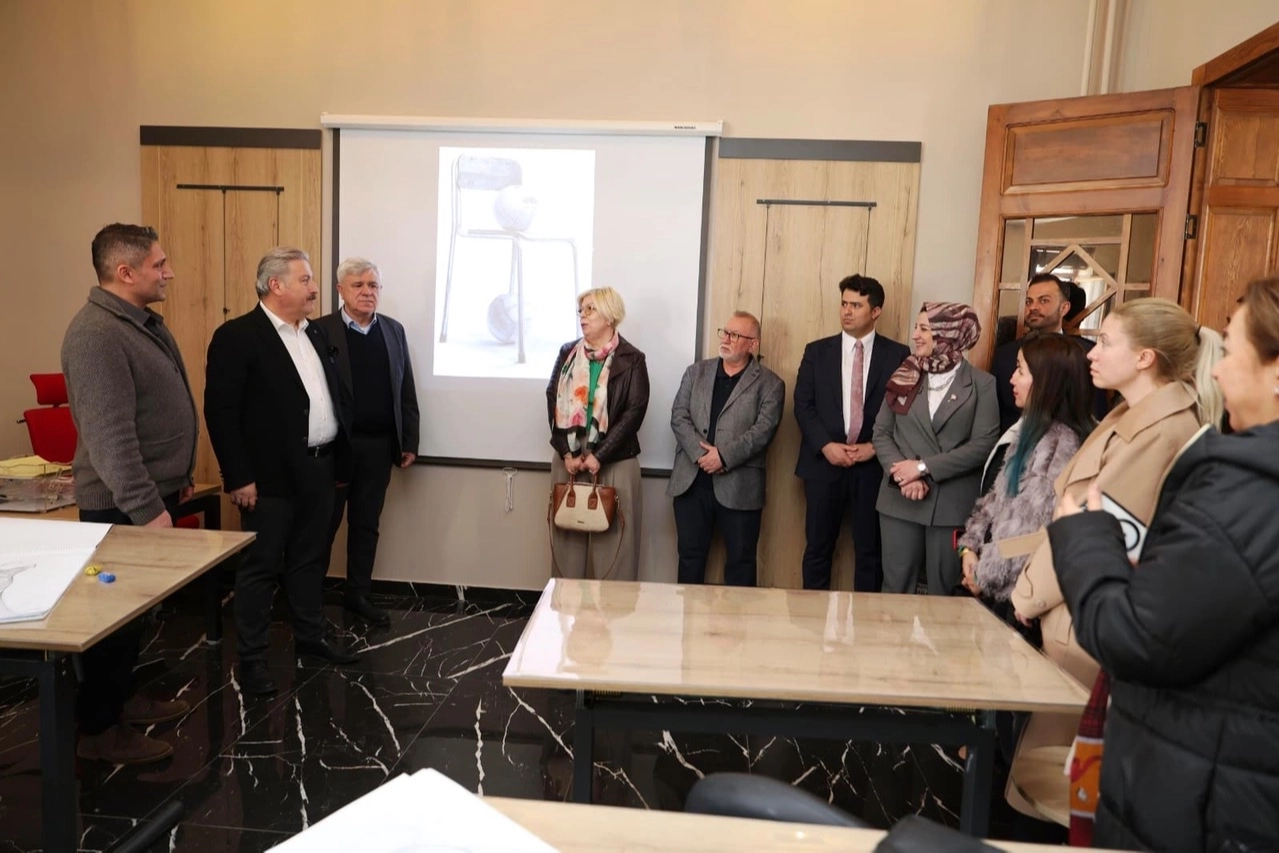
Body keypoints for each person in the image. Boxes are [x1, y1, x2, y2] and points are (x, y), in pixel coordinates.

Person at [1047, 277, 1279, 851]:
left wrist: (1085, 539)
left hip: (1210, 795)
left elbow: (1137, 637)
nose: (1217, 372)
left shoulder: (1249, 487)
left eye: (1231, 350)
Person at [1008, 297, 1223, 830]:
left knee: (1061, 798)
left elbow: (1093, 529)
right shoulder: (1130, 414)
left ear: (1145, 357)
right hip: (1073, 608)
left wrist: (1026, 596)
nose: (1091, 353)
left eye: (1105, 342)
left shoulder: (1163, 431)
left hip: (1087, 620)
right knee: (1045, 785)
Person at [60, 223, 197, 764]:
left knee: (132, 615)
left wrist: (178, 476)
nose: (168, 273)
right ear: (125, 272)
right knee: (110, 621)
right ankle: (98, 731)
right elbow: (110, 439)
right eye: (159, 265)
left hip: (150, 496)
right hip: (121, 506)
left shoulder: (138, 323)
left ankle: (122, 699)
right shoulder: (96, 335)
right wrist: (148, 509)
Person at [205, 247, 359, 698]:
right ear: (276, 285)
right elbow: (221, 412)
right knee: (261, 567)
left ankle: (309, 637)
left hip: (320, 468)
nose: (314, 288)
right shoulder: (237, 336)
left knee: (310, 559)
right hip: (268, 478)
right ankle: (252, 660)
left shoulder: (314, 333)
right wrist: (238, 476)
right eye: (305, 280)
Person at [316, 257, 419, 626]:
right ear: (340, 290)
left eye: (373, 285)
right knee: (323, 524)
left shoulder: (393, 330)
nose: (366, 292)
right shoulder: (319, 331)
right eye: (358, 285)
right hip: (334, 448)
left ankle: (357, 595)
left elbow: (405, 388)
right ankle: (309, 601)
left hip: (378, 446)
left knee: (366, 525)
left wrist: (409, 440)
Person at [958, 335, 1094, 609]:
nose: (1011, 379)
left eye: (1020, 370)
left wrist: (983, 576)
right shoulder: (1032, 430)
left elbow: (1028, 531)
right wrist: (968, 546)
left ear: (1046, 381)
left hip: (1016, 595)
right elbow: (997, 498)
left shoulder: (1058, 446)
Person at [872, 302, 999, 596]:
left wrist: (922, 468)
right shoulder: (904, 374)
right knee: (895, 590)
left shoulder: (982, 384)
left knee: (945, 594)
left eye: (925, 329)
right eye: (916, 327)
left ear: (949, 335)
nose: (915, 335)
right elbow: (881, 432)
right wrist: (903, 476)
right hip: (900, 499)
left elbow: (983, 445)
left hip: (950, 505)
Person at [793, 275, 910, 591]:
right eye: (844, 303)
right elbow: (803, 404)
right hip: (823, 464)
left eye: (856, 305)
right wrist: (825, 445)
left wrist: (874, 448)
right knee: (817, 549)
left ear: (875, 311)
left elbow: (905, 410)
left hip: (872, 467)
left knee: (870, 552)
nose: (846, 311)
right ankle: (812, 617)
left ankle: (867, 621)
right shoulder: (817, 351)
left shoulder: (898, 354)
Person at [667, 311, 785, 586]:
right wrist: (701, 455)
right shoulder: (696, 372)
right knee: (690, 560)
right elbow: (678, 416)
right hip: (692, 484)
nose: (726, 339)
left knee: (741, 565)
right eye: (725, 332)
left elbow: (763, 432)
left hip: (740, 487)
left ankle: (739, 617)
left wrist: (722, 456)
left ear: (752, 344)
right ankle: (688, 616)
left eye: (735, 335)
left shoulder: (770, 384)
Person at [547, 287, 649, 580]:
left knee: (613, 557)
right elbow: (552, 398)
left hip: (615, 460)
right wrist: (567, 452)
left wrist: (599, 455)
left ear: (610, 316)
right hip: (569, 460)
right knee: (567, 549)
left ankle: (608, 611)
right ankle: (566, 609)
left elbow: (634, 411)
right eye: (581, 310)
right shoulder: (567, 352)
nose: (583, 316)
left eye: (590, 309)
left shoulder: (632, 358)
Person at [991, 274, 1100, 432]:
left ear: (1064, 308)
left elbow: (1095, 414)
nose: (1033, 307)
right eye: (1029, 301)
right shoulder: (1005, 356)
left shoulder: (1087, 354)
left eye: (1043, 301)